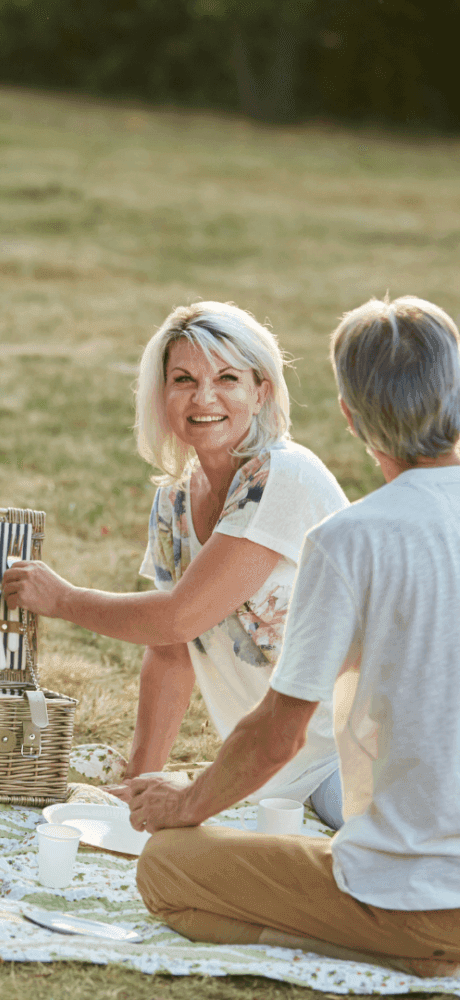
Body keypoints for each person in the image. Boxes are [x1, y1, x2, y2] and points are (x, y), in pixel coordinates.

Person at [127, 296, 460, 979]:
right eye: (185, 379)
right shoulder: (190, 501)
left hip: (408, 897)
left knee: (166, 869)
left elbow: (278, 733)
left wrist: (182, 804)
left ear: (349, 412)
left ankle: (406, 952)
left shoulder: (350, 539)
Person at [4, 302, 348, 827]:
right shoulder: (174, 502)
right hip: (267, 768)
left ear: (262, 392)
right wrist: (138, 782)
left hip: (347, 752)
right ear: (161, 395)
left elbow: (179, 617)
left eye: (227, 378)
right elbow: (170, 653)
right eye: (183, 379)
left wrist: (63, 600)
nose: (203, 398)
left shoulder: (283, 476)